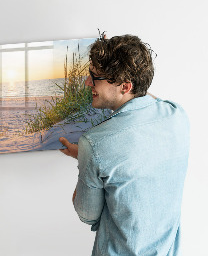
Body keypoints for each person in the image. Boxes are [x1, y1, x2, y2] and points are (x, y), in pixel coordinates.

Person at [59, 34, 189, 255]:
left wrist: (86, 159)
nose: (87, 82)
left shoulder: (94, 143)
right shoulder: (177, 115)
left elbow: (87, 215)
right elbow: (144, 97)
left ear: (125, 86)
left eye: (95, 76)